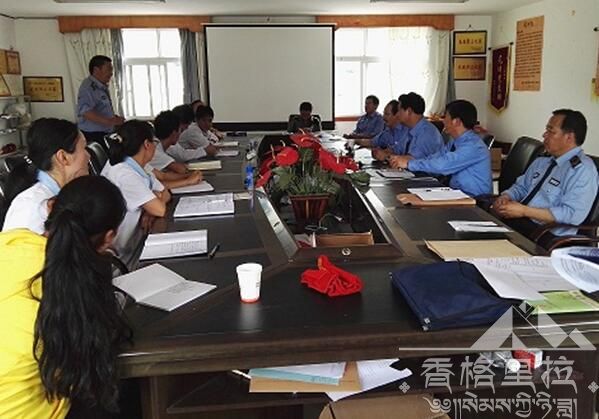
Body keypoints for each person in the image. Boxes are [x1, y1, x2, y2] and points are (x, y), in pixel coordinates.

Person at [0, 176, 131, 418]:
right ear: (109, 238)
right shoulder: (74, 286)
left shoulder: (11, 242)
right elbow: (84, 373)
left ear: (51, 207)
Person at [493, 109, 598, 241]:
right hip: (519, 223)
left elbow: (571, 214)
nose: (544, 135)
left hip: (546, 235)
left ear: (569, 137)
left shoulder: (582, 170)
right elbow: (522, 187)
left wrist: (524, 211)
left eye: (551, 131)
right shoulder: (543, 161)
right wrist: (506, 197)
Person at [2, 118, 89, 234]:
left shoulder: (64, 193)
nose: (88, 156)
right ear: (63, 157)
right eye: (84, 148)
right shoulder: (34, 210)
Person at [102, 120, 171, 264]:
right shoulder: (124, 173)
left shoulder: (139, 166)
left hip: (136, 243)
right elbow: (160, 209)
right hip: (121, 257)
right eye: (154, 142)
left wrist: (148, 210)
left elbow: (165, 193)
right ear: (147, 144)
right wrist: (152, 204)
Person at [391, 100, 492, 197]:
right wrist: (410, 160)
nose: (443, 121)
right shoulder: (454, 142)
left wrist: (409, 164)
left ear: (456, 122)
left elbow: (443, 165)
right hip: (456, 194)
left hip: (474, 199)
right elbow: (436, 157)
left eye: (445, 117)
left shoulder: (473, 146)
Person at [76, 55, 125, 144]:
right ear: (96, 70)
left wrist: (113, 118)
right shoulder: (88, 87)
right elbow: (85, 112)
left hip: (104, 133)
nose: (111, 73)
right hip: (93, 135)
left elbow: (101, 109)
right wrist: (110, 121)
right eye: (109, 69)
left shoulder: (101, 87)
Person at [148, 111, 203, 189]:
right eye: (180, 130)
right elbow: (181, 169)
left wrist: (190, 175)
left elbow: (163, 176)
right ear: (174, 133)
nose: (180, 134)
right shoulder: (155, 150)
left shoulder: (160, 146)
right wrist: (188, 179)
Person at [387, 92, 443, 161]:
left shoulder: (427, 133)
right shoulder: (409, 129)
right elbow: (398, 149)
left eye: (399, 110)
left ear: (409, 111)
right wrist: (386, 153)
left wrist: (389, 156)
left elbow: (412, 160)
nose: (397, 114)